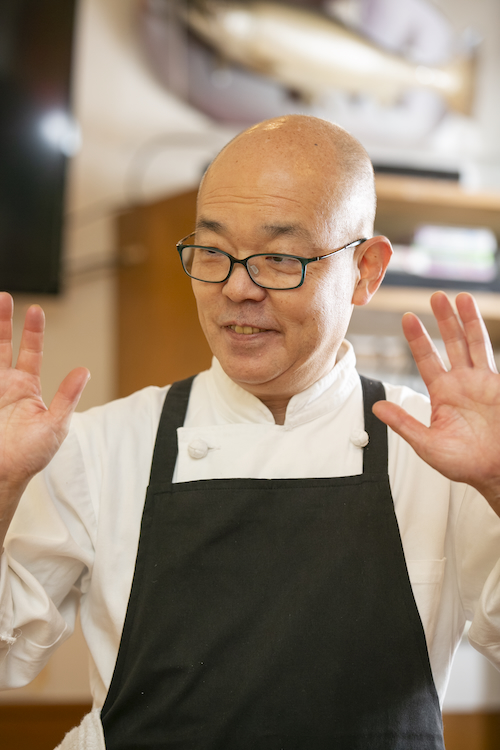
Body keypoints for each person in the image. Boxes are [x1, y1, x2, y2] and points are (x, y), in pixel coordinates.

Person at [1, 114, 500, 749]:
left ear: (366, 271)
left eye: (279, 257)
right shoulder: (104, 445)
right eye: (212, 252)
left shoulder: (438, 452)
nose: (237, 288)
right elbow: (8, 656)